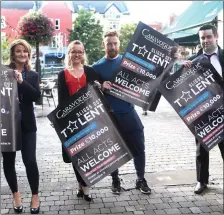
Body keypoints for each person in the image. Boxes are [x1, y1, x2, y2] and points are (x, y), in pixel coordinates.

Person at [92, 31, 151, 195]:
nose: (112, 46)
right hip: (111, 116)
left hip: (129, 112)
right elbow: (92, 95)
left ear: (119, 44)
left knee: (139, 147)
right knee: (113, 151)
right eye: (109, 43)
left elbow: (150, 73)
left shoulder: (129, 62)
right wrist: (101, 87)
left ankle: (141, 179)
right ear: (103, 45)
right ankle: (115, 180)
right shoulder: (96, 67)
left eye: (115, 43)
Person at [57, 40, 106, 201]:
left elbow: (98, 94)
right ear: (69, 53)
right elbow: (61, 101)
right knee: (76, 154)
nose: (77, 54)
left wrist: (99, 87)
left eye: (80, 51)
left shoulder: (90, 71)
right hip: (73, 121)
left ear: (83, 53)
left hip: (89, 118)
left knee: (87, 153)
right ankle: (83, 186)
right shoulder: (62, 74)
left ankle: (83, 186)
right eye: (73, 51)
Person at [183, 24, 224, 194]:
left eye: (208, 36)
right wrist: (182, 70)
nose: (205, 40)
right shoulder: (191, 62)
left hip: (223, 111)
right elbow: (182, 88)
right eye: (202, 38)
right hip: (202, 112)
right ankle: (201, 181)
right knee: (202, 149)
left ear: (216, 36)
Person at [2, 39, 41, 214]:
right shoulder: (3, 73)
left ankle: (34, 196)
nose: (22, 54)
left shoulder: (32, 75)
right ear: (12, 54)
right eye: (18, 51)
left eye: (25, 51)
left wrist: (20, 82)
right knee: (9, 161)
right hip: (7, 124)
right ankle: (16, 195)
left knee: (30, 161)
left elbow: (36, 97)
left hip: (27, 124)